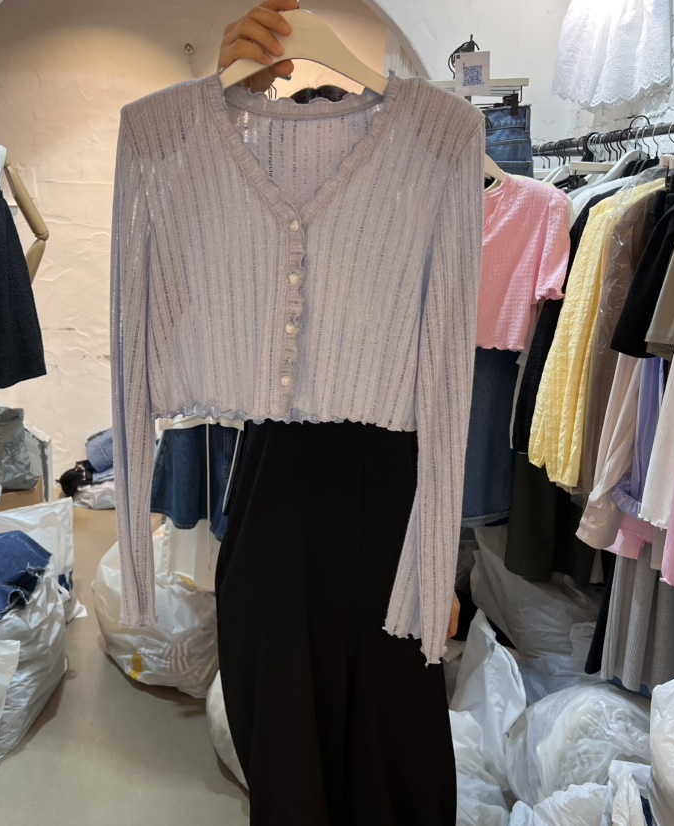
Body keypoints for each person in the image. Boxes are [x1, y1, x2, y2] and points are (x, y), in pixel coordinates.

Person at [214, 4, 461, 823]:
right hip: (281, 503)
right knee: (289, 743)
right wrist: (222, 104)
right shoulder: (245, 193)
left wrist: (441, 548)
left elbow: (446, 380)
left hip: (392, 502)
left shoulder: (430, 172)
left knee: (395, 748)